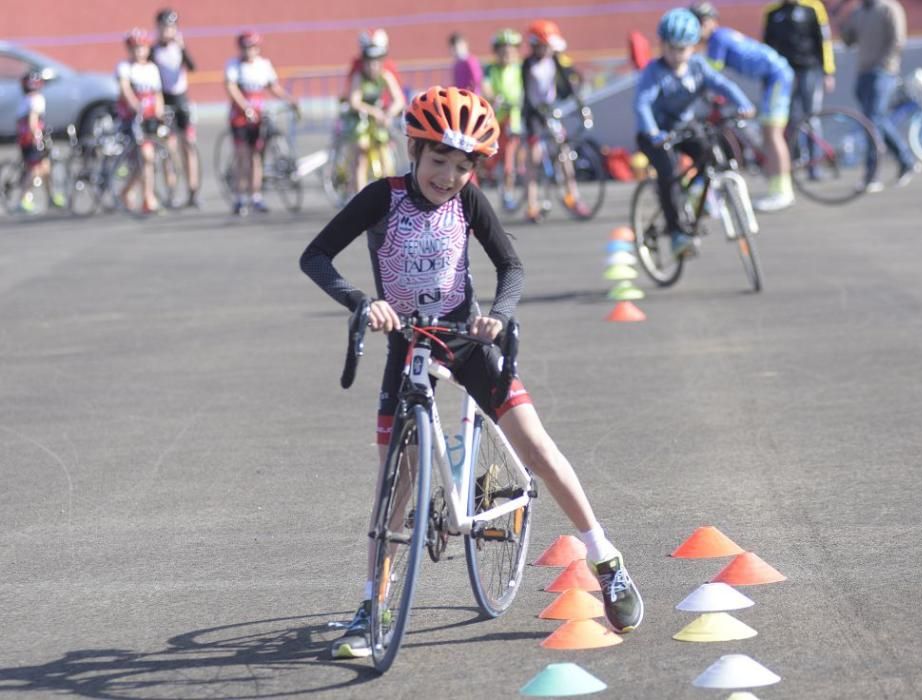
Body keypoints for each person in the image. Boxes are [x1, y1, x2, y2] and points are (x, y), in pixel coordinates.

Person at [300, 85, 644, 660]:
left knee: (534, 444)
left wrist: (499, 317)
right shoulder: (381, 197)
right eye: (439, 161)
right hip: (407, 343)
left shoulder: (468, 201)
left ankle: (605, 557)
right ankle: (373, 601)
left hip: (467, 340)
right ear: (415, 150)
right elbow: (316, 255)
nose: (448, 176)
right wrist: (362, 302)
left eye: (462, 166)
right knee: (395, 481)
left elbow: (510, 263)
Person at [634, 9, 755, 258]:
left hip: (684, 126)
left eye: (682, 48)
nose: (676, 54)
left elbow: (723, 85)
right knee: (667, 177)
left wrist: (743, 104)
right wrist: (653, 131)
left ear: (693, 47)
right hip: (656, 133)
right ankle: (677, 233)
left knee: (711, 152)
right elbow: (642, 104)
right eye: (671, 48)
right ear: (662, 45)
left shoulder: (698, 66)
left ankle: (700, 193)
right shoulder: (654, 72)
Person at [691, 2, 796, 212]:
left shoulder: (717, 39)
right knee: (767, 136)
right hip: (772, 77)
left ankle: (782, 191)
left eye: (700, 24)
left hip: (776, 77)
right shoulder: (720, 36)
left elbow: (712, 74)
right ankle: (777, 186)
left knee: (772, 135)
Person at [835, 0, 919, 191]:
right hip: (863, 73)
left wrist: (884, 66)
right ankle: (905, 160)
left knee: (872, 122)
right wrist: (840, 20)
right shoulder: (859, 12)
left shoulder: (889, 9)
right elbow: (848, 40)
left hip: (882, 73)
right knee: (874, 121)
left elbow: (898, 40)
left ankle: (872, 175)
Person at [224, 30, 299, 216]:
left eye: (253, 47)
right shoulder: (234, 66)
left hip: (259, 118)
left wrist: (289, 99)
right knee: (242, 156)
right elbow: (231, 88)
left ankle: (255, 196)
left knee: (256, 158)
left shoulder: (264, 65)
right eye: (246, 47)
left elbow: (273, 87)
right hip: (240, 118)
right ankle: (239, 198)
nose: (250, 51)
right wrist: (245, 107)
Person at [521, 19, 588, 222]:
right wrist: (539, 114)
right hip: (534, 114)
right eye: (545, 46)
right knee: (534, 158)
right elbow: (528, 94)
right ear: (536, 46)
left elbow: (569, 85)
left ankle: (573, 197)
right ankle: (531, 205)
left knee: (564, 154)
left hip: (551, 111)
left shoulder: (554, 60)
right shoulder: (528, 65)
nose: (549, 49)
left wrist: (582, 108)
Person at [345, 32, 406, 193]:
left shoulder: (385, 76)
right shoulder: (359, 77)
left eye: (376, 63)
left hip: (379, 122)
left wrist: (389, 114)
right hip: (361, 120)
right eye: (369, 63)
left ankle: (389, 197)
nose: (372, 67)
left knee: (386, 158)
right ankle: (359, 197)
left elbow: (399, 100)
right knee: (361, 155)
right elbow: (354, 101)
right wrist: (374, 112)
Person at [152, 7, 201, 208]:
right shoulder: (154, 51)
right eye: (164, 27)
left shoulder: (179, 48)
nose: (168, 31)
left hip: (181, 99)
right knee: (168, 148)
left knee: (188, 146)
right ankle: (172, 191)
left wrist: (182, 48)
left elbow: (193, 67)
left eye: (171, 27)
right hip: (165, 99)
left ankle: (193, 190)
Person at [763, 0, 836, 127]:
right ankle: (793, 146)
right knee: (787, 114)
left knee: (811, 113)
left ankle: (814, 146)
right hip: (783, 72)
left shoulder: (813, 8)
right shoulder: (773, 12)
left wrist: (828, 71)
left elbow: (823, 41)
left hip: (808, 68)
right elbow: (767, 47)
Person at [117, 28, 166, 215]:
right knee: (143, 158)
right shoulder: (125, 67)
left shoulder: (152, 68)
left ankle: (145, 196)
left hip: (149, 119)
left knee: (148, 158)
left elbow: (157, 93)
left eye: (142, 47)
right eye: (135, 48)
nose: (139, 51)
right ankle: (142, 195)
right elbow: (125, 89)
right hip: (131, 119)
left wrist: (159, 111)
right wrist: (136, 105)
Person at [481, 28, 525, 211]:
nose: (507, 54)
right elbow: (486, 86)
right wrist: (493, 98)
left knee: (509, 161)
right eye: (503, 50)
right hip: (494, 122)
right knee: (488, 160)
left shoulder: (519, 69)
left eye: (511, 49)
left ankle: (507, 193)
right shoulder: (491, 69)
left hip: (512, 121)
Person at [13, 70, 65, 214]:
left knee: (46, 168)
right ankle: (23, 199)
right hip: (32, 139)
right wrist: (37, 138)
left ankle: (51, 197)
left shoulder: (24, 100)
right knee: (35, 170)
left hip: (24, 139)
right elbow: (33, 121)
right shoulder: (36, 99)